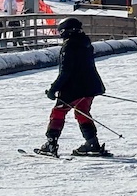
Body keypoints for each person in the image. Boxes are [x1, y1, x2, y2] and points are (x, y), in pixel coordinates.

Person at [37, 17, 108, 157]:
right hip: (90, 86)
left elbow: (66, 71)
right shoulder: (86, 42)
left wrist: (53, 89)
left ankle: (51, 143)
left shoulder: (69, 46)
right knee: (82, 111)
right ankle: (92, 143)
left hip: (73, 88)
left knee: (58, 112)